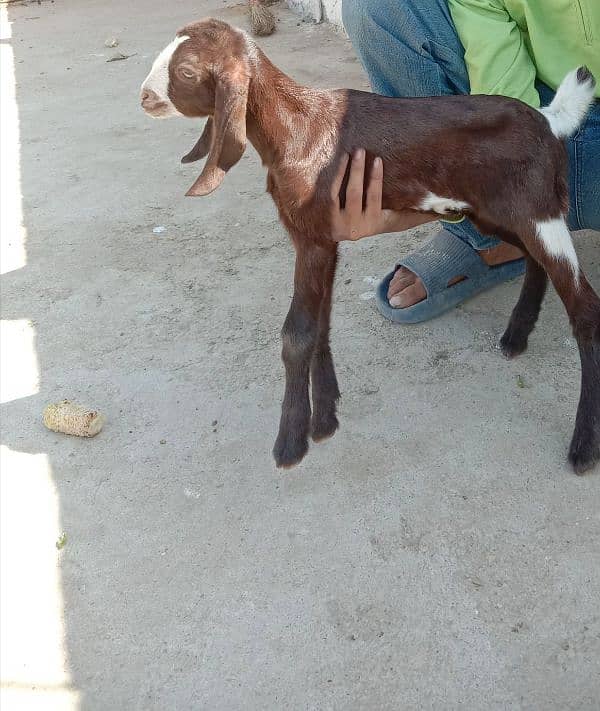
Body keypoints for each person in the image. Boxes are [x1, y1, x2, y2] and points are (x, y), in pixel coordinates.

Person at [332, 0, 599, 323]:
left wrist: (418, 211)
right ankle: (494, 237)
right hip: (545, 113)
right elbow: (509, 118)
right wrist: (431, 200)